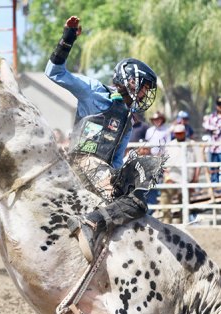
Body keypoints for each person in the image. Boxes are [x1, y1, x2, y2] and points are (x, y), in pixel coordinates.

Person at [45, 16, 160, 260]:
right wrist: (68, 38)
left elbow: (116, 159)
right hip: (81, 160)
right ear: (130, 80)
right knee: (132, 202)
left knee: (137, 201)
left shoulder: (128, 118)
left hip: (102, 169)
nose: (145, 93)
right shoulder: (95, 91)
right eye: (144, 87)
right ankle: (90, 223)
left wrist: (119, 179)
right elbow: (54, 72)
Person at [160, 124, 195, 223]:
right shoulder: (170, 145)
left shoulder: (191, 144)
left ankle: (183, 221)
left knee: (184, 201)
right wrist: (167, 177)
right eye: (177, 134)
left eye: (181, 133)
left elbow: (197, 162)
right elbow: (164, 164)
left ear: (184, 133)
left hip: (188, 178)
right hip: (173, 178)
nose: (179, 135)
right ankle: (166, 221)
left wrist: (194, 179)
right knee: (165, 196)